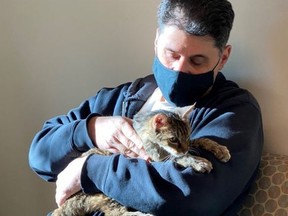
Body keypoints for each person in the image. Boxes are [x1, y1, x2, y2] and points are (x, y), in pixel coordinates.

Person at [28, 0, 264, 215]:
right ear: (156, 40)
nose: (179, 70)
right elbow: (40, 157)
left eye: (197, 61)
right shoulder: (122, 97)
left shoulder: (235, 112)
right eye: (171, 54)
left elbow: (192, 196)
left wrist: (89, 170)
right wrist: (91, 130)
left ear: (223, 58)